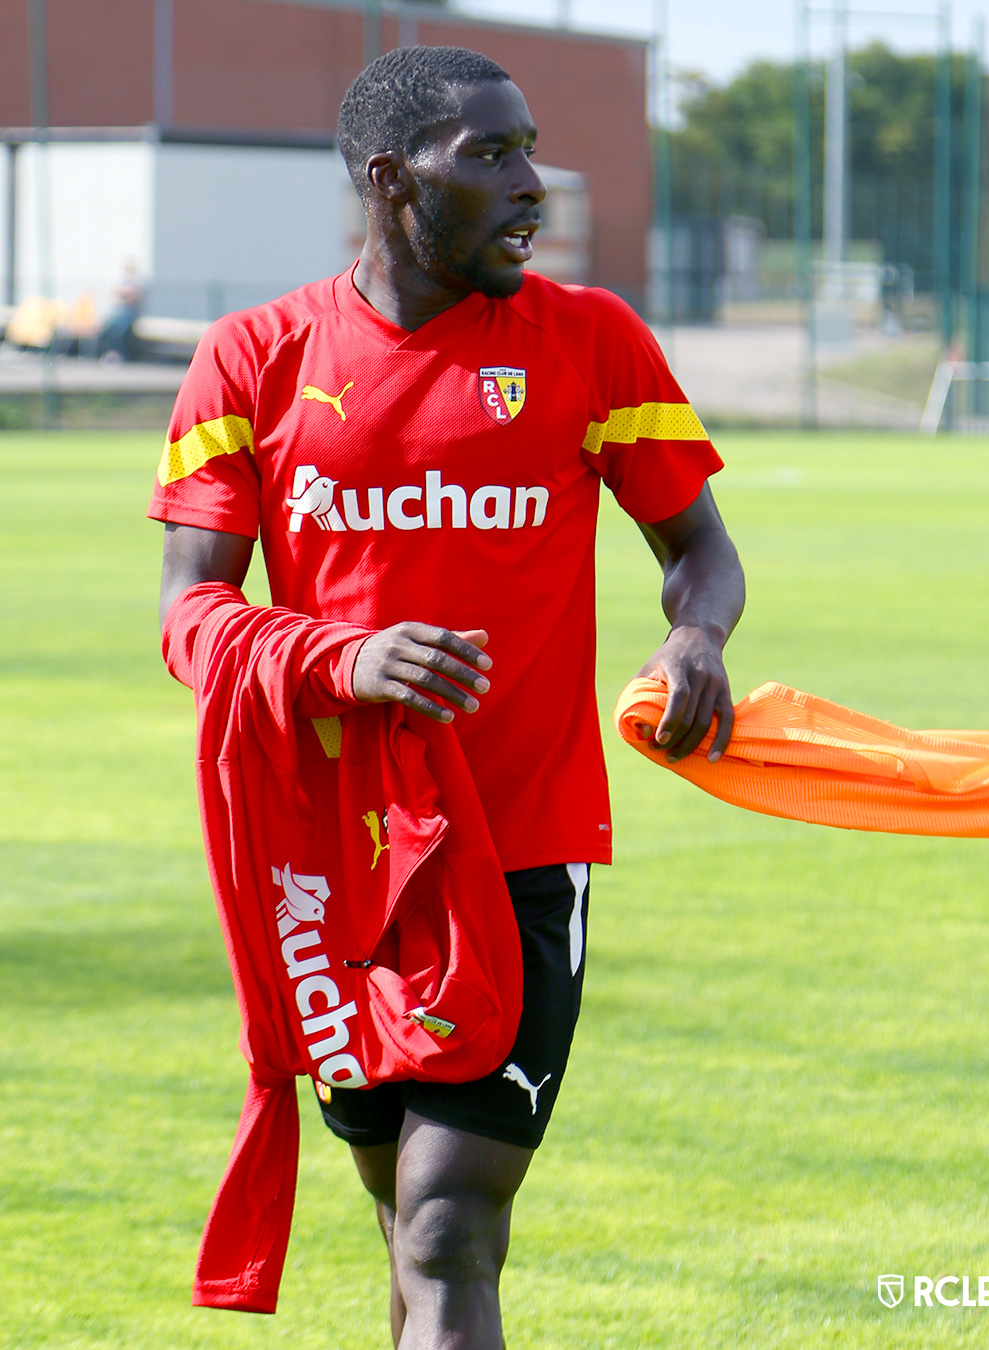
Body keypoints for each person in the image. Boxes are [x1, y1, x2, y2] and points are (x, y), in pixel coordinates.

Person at [149, 45, 745, 1349]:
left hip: (525, 846)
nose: (532, 184)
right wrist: (335, 656)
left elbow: (700, 548)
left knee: (445, 1221)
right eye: (491, 156)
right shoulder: (251, 359)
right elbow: (188, 617)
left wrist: (696, 637)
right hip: (334, 860)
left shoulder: (593, 342)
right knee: (400, 1211)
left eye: (531, 148)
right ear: (388, 180)